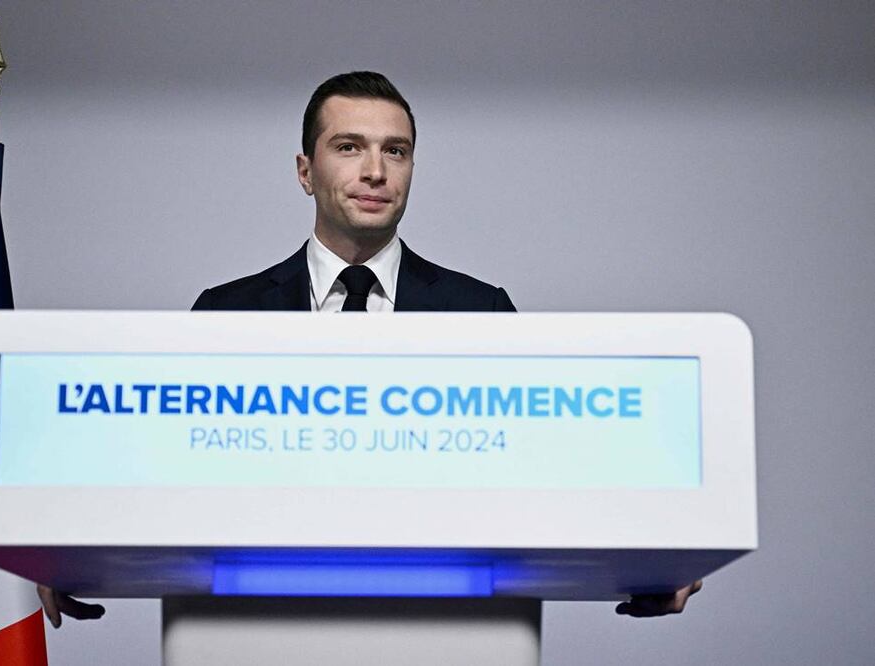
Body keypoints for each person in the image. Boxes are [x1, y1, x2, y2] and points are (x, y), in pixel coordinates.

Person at [38, 70, 702, 628]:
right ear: (305, 171)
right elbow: (166, 475)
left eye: (396, 151)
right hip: (255, 628)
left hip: (447, 631)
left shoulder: (482, 312)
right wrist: (74, 550)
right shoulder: (224, 312)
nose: (376, 171)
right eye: (349, 147)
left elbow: (549, 470)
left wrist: (653, 557)